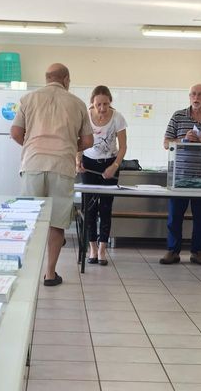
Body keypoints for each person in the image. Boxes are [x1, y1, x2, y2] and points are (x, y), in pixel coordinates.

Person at [11, 63, 94, 286]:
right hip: (61, 166)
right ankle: (49, 273)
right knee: (56, 222)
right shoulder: (77, 103)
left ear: (47, 78)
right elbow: (87, 141)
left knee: (29, 220)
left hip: (33, 164)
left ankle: (27, 273)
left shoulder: (29, 99)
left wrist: (32, 146)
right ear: (66, 79)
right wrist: (67, 145)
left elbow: (16, 132)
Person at [161, 84, 201, 266]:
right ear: (189, 96)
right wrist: (182, 140)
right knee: (175, 217)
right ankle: (172, 251)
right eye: (194, 94)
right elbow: (166, 143)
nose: (197, 97)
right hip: (179, 176)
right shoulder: (178, 115)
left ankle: (198, 252)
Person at [76, 85, 127, 266]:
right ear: (92, 103)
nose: (102, 109)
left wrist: (114, 166)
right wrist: (78, 160)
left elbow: (123, 147)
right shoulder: (85, 116)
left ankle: (103, 248)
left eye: (105, 104)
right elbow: (79, 142)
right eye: (98, 104)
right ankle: (92, 247)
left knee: (105, 207)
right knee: (89, 208)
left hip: (109, 163)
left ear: (110, 102)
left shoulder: (118, 118)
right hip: (89, 163)